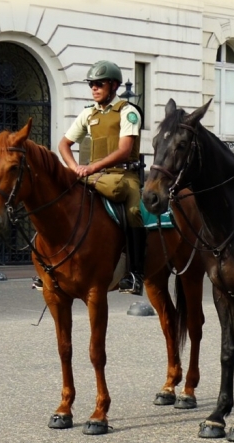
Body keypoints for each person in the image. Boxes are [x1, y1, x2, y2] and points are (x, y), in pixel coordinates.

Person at [58, 60, 146, 295]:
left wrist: (91, 167)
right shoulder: (88, 113)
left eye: (99, 84)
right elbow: (64, 144)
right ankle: (49, 268)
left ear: (114, 85)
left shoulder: (128, 112)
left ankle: (135, 274)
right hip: (93, 175)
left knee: (134, 211)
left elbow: (124, 151)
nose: (94, 88)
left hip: (124, 175)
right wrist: (74, 167)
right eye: (92, 84)